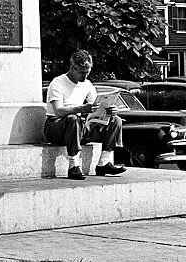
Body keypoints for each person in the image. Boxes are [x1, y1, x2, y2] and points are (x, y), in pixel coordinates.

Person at [44, 50, 126, 180]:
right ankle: (73, 166)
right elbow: (58, 111)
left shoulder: (87, 84)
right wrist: (82, 108)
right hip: (56, 126)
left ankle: (103, 163)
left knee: (116, 120)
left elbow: (96, 105)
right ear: (72, 68)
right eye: (82, 72)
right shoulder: (57, 83)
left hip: (79, 125)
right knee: (72, 118)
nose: (85, 76)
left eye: (88, 72)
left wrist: (109, 110)